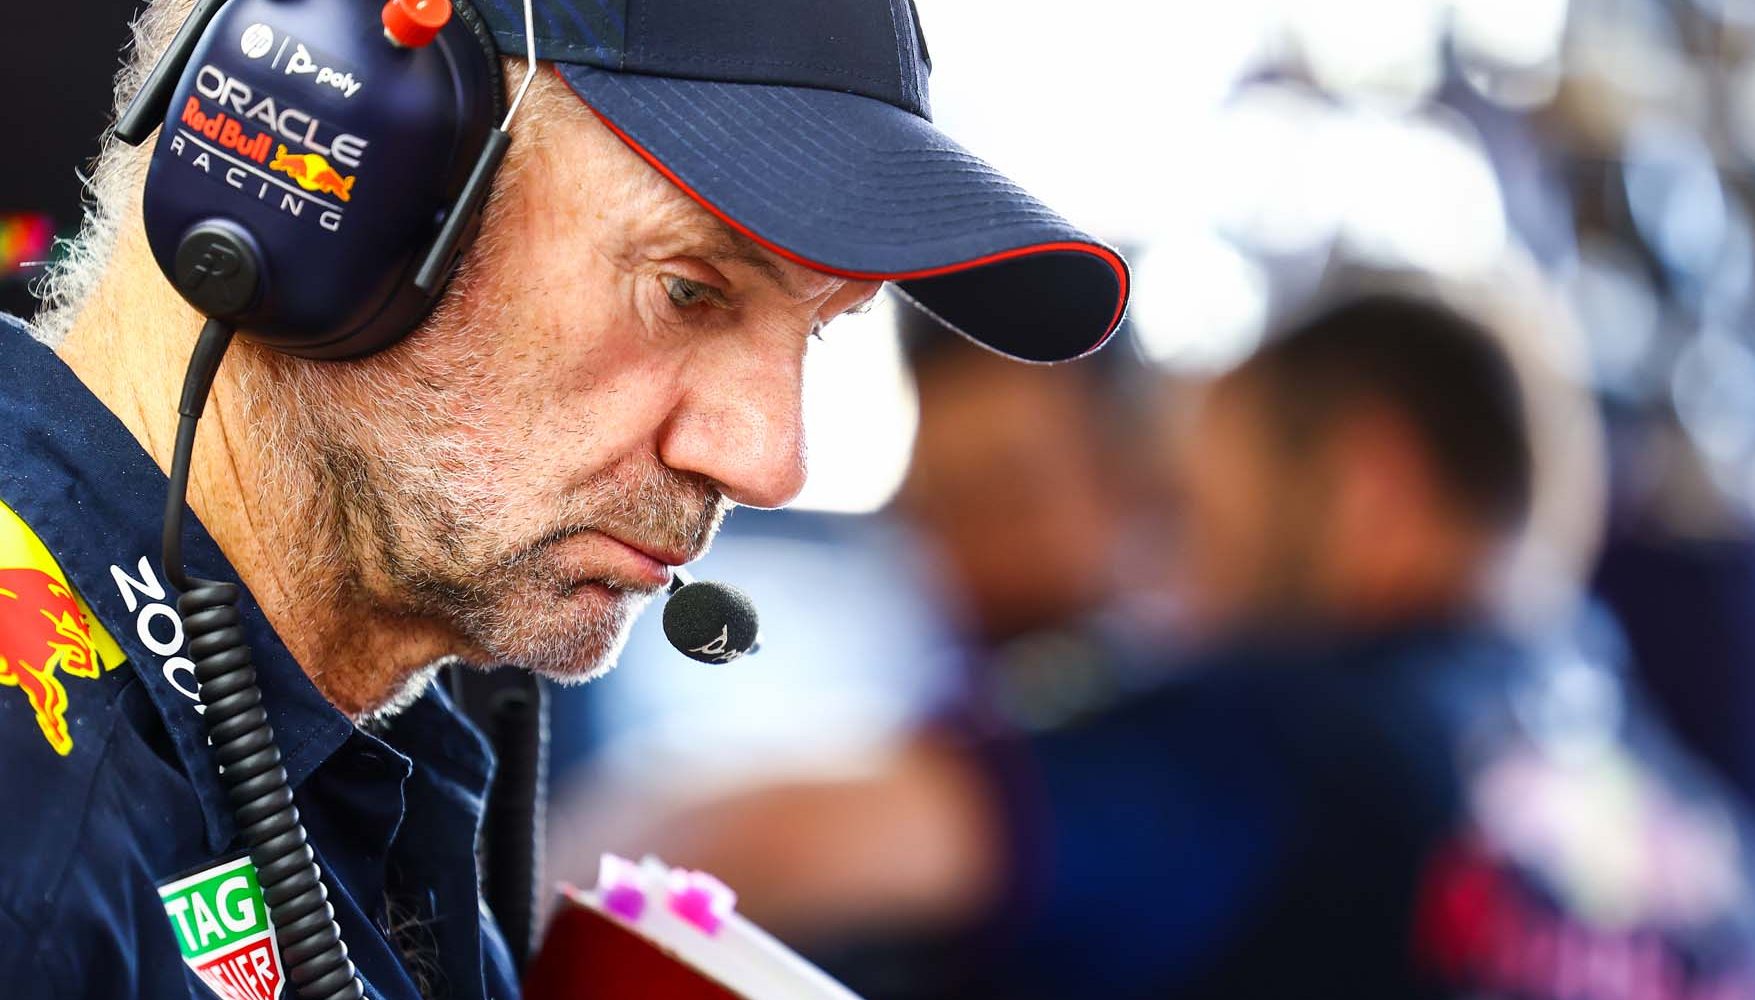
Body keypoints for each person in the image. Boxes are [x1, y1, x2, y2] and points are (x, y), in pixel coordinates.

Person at [0, 1, 1126, 996]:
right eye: (690, 289)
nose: (772, 460)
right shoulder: (36, 842)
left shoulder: (363, 766)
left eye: (818, 334)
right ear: (328, 155)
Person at [642, 288, 1755, 1000]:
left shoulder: (1294, 733)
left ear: (1370, 489)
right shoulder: (1750, 902)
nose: (1184, 582)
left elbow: (768, 839)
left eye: (1204, 515)